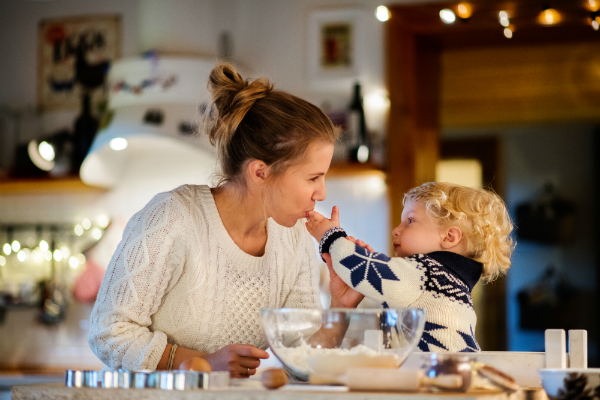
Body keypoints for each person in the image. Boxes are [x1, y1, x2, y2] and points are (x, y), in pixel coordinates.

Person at [88, 63, 363, 377]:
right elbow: (108, 332)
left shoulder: (294, 239)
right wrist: (200, 362)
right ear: (260, 172)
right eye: (313, 177)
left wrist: (341, 308)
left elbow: (303, 362)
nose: (322, 193)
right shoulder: (171, 217)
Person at [305, 182, 514, 352]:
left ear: (449, 237)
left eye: (410, 221)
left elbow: (359, 269)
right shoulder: (452, 287)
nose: (396, 230)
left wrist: (331, 237)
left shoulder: (427, 275)